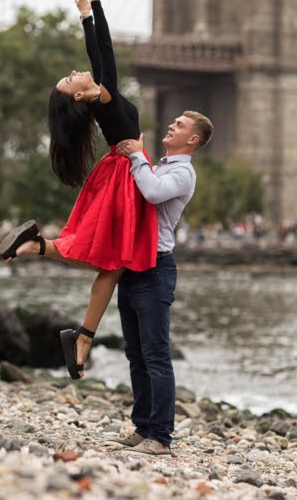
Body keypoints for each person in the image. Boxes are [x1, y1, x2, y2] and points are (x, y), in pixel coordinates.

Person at [0, 0, 157, 379]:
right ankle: (82, 335)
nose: (74, 72)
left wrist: (92, 11)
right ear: (80, 97)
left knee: (109, 260)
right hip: (126, 177)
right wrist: (91, 13)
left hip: (121, 172)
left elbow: (101, 56)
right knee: (112, 259)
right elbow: (104, 53)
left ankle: (42, 253)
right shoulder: (103, 97)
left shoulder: (104, 100)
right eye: (70, 81)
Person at [113, 109, 213, 456]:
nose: (172, 126)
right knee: (135, 354)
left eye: (180, 126)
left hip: (157, 269)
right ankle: (142, 429)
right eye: (173, 122)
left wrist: (136, 155)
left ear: (193, 139)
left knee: (156, 356)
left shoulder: (183, 172)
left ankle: (161, 438)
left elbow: (153, 194)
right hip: (134, 266)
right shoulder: (161, 165)